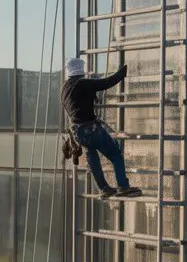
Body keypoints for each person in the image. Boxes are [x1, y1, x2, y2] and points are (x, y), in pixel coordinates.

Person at [61, 57, 142, 199]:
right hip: (91, 128)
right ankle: (123, 186)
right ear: (80, 71)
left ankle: (104, 188)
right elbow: (107, 82)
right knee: (115, 155)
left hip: (78, 132)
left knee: (92, 156)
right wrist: (122, 72)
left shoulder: (64, 88)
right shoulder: (82, 83)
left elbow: (77, 104)